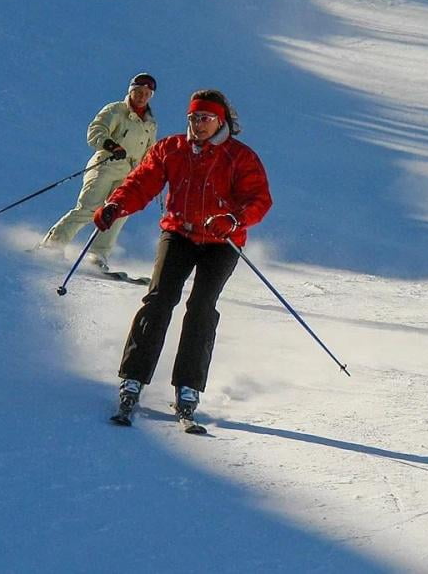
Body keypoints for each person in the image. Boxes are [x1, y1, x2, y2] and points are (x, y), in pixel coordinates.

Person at [96, 89, 272, 425]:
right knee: (159, 299)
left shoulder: (240, 156)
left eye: (205, 118)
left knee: (202, 308)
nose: (198, 124)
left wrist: (234, 219)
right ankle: (133, 378)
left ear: (221, 121)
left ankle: (188, 386)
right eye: (193, 117)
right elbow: (141, 183)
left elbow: (259, 199)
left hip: (222, 241)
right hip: (179, 232)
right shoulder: (171, 148)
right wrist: (116, 205)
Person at [40, 72, 158, 267]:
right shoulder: (116, 110)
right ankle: (52, 244)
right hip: (106, 163)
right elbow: (96, 130)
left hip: (130, 171)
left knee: (119, 211)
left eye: (147, 93)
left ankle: (98, 255)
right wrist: (111, 145)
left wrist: (150, 169)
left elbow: (150, 149)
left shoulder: (150, 122)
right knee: (89, 208)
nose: (142, 96)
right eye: (138, 91)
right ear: (131, 91)